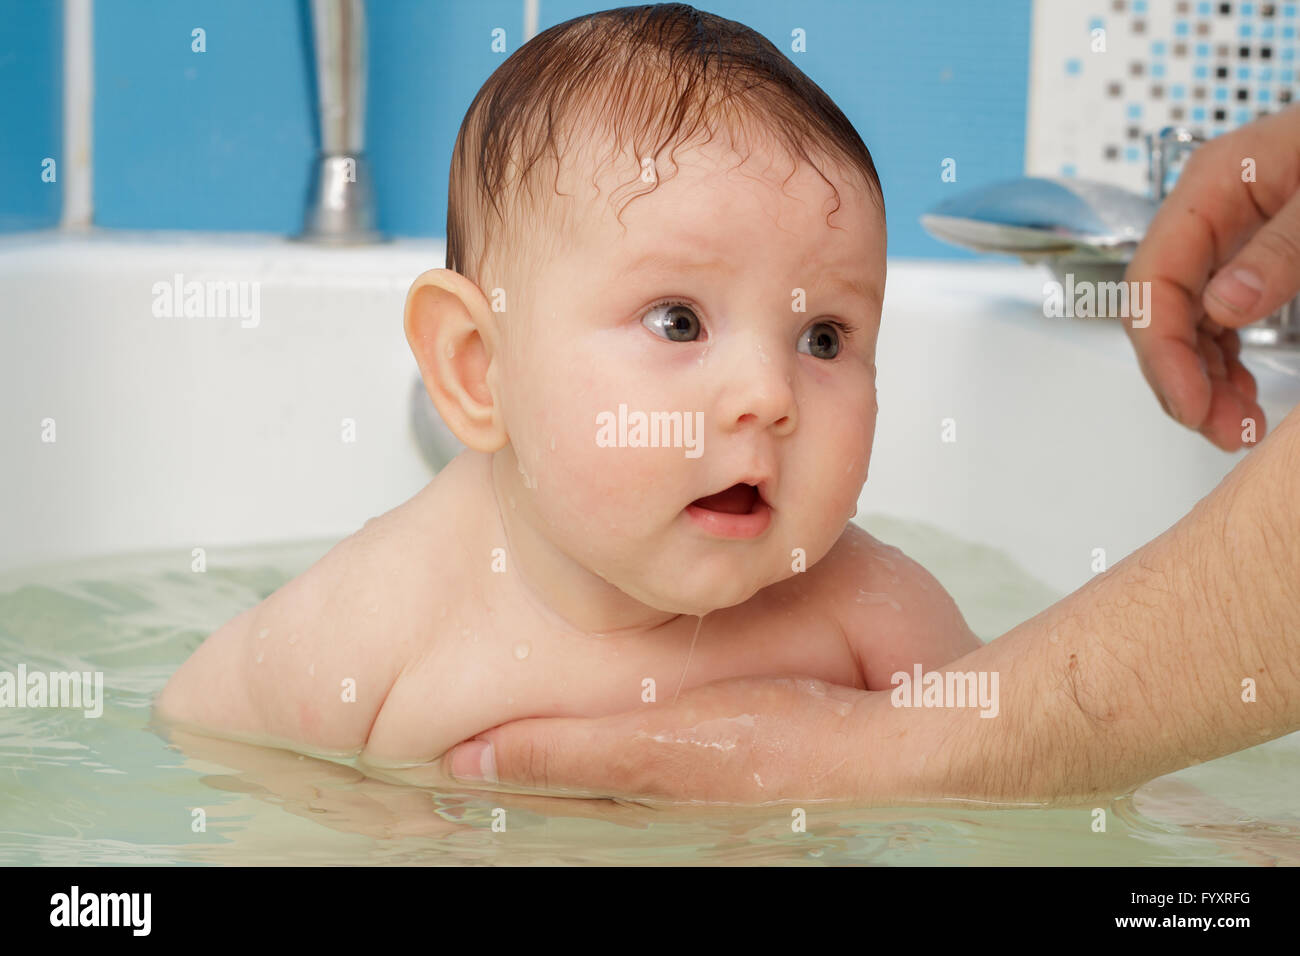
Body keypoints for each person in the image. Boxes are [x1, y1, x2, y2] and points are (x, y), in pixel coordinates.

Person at [443, 104, 1300, 806]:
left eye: (823, 337)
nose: (770, 396)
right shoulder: (403, 605)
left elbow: (1060, 780)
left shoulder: (870, 610)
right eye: (678, 322)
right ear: (479, 371)